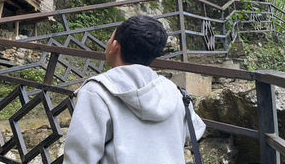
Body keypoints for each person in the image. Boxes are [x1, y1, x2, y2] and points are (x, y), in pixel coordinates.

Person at [63, 15, 206, 164]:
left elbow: (79, 158)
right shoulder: (175, 93)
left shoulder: (97, 91)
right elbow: (195, 131)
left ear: (115, 47)